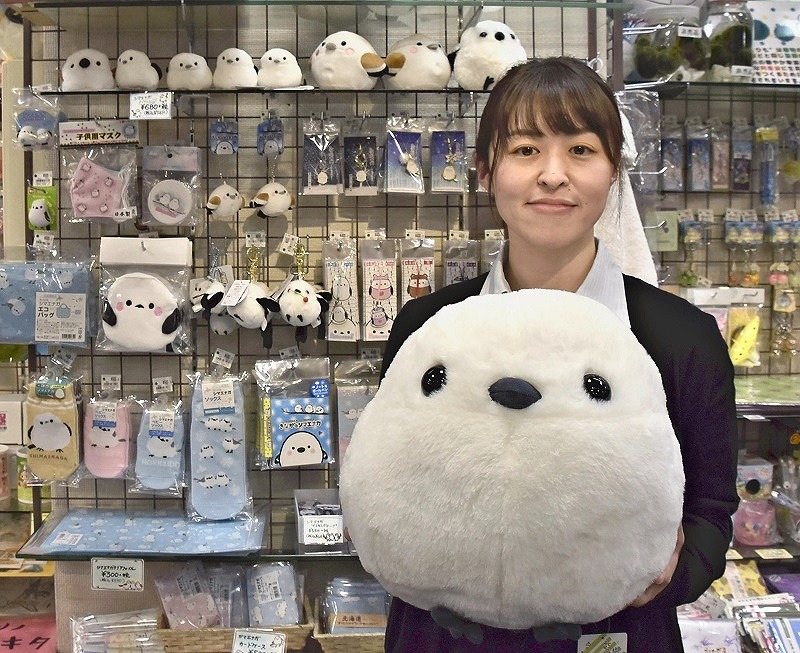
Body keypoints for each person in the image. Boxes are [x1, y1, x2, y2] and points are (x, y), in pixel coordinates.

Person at [378, 57, 739, 652]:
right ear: (484, 169)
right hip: (446, 637)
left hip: (613, 635)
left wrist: (669, 574)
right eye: (524, 150)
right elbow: (389, 476)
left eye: (581, 150)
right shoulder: (428, 327)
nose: (552, 175)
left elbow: (711, 508)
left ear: (613, 171)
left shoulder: (681, 339)